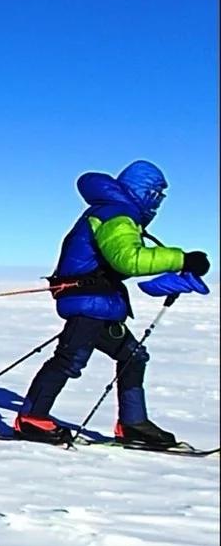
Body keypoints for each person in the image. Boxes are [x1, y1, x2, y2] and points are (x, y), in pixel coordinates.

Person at [13, 160, 210, 446]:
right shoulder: (115, 214)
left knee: (133, 357)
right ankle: (31, 419)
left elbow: (119, 264)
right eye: (157, 194)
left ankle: (134, 424)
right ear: (144, 191)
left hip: (100, 303)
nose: (158, 202)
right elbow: (128, 259)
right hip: (88, 303)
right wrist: (183, 258)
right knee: (69, 360)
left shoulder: (117, 212)